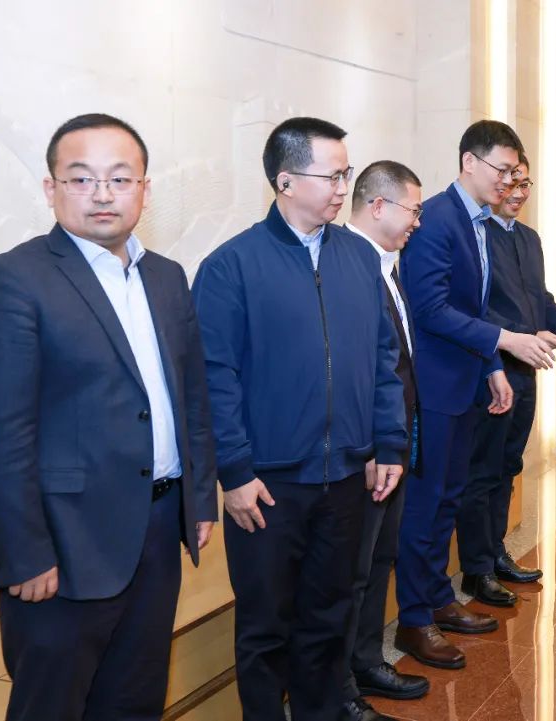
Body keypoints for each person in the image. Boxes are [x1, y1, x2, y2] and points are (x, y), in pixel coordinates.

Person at [0, 113, 218, 721]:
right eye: (82, 178)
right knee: (53, 705)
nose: (102, 194)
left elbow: (191, 399)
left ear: (144, 188)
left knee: (135, 700)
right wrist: (23, 552)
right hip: (64, 543)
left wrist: (199, 501)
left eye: (119, 178)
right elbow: (3, 432)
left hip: (158, 530)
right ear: (51, 188)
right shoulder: (15, 278)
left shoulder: (166, 277)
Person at [193, 117, 406, 721]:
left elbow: (382, 357)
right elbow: (214, 379)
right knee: (266, 628)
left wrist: (387, 443)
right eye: (332, 175)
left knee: (329, 617)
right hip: (268, 485)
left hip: (347, 477)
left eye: (346, 173)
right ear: (284, 180)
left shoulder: (358, 258)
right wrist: (234, 472)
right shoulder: (231, 266)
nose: (344, 188)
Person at [394, 120, 555, 669]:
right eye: (502, 170)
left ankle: (439, 598)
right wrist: (505, 342)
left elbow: (475, 307)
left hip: (467, 382)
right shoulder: (438, 219)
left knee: (449, 498)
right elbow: (431, 310)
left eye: (515, 173)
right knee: (427, 504)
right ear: (469, 162)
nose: (509, 181)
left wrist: (491, 368)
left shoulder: (480, 222)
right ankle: (414, 618)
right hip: (437, 387)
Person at [457, 154, 556, 606]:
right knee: (481, 471)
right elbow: (476, 309)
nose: (517, 193)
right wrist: (520, 336)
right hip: (491, 368)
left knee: (508, 465)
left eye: (525, 183)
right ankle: (476, 569)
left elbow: (540, 299)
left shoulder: (530, 239)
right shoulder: (477, 236)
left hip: (527, 371)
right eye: (510, 182)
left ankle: (496, 552)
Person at [339, 161, 430, 721]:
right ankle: (341, 684)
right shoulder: (347, 266)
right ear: (377, 206)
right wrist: (378, 445)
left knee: (379, 559)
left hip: (394, 441)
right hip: (366, 450)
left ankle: (367, 659)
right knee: (351, 570)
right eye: (413, 210)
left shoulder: (387, 266)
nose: (417, 221)